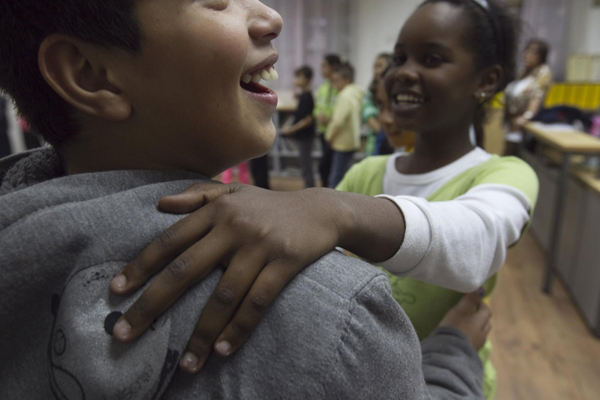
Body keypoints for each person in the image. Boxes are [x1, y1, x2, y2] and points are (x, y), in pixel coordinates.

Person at [0, 0, 489, 398]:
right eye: (217, 1)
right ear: (90, 73)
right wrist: (454, 355)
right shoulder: (341, 321)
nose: (271, 17)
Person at [505, 39, 552, 152]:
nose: (527, 55)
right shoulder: (523, 71)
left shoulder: (543, 72)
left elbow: (536, 96)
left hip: (522, 123)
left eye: (533, 52)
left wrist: (526, 117)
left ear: (541, 56)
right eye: (526, 51)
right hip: (509, 120)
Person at [325, 62, 363, 188]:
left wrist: (329, 137)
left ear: (347, 80)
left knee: (336, 177)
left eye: (337, 80)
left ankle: (330, 205)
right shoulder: (355, 93)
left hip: (342, 143)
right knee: (345, 175)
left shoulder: (345, 96)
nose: (335, 84)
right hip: (351, 141)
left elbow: (338, 121)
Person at [281, 66, 315, 188]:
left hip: (306, 136)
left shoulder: (307, 96)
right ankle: (309, 188)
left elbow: (307, 120)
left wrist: (292, 129)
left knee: (306, 165)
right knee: (304, 164)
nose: (296, 80)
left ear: (307, 79)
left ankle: (310, 190)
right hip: (303, 136)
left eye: (299, 77)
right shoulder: (303, 95)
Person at [314, 54, 341, 186]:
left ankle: (330, 193)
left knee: (328, 167)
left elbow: (342, 107)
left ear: (333, 67)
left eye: (324, 66)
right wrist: (318, 114)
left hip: (335, 132)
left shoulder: (340, 86)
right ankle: (326, 191)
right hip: (323, 132)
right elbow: (317, 106)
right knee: (325, 166)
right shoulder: (323, 87)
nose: (321, 70)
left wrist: (331, 118)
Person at [364, 53, 392, 156]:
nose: (376, 70)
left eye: (380, 66)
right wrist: (383, 131)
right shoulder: (370, 92)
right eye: (375, 66)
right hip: (377, 139)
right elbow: (369, 117)